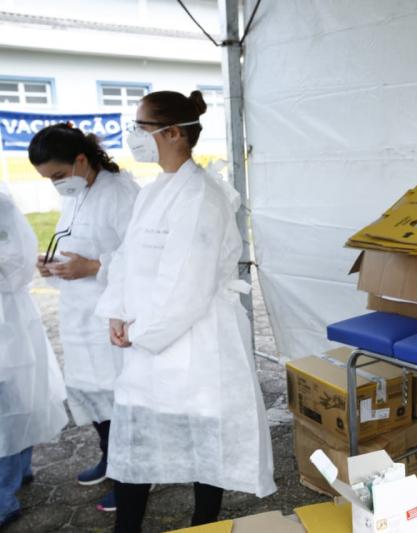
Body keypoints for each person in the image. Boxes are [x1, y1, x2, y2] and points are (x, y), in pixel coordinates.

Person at [95, 90, 276, 532]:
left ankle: (203, 524)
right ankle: (128, 525)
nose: (133, 136)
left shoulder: (201, 196)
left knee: (201, 440)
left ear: (172, 133)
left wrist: (141, 332)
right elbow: (126, 257)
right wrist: (117, 312)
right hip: (146, 337)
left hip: (193, 340)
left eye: (141, 127)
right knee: (136, 439)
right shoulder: (155, 189)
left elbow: (186, 286)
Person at [28, 124, 140, 512]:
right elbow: (74, 242)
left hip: (113, 312)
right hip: (79, 313)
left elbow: (142, 255)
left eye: (57, 176)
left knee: (120, 397)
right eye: (48, 180)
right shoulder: (75, 192)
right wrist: (53, 266)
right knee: (93, 393)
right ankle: (110, 457)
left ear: (81, 159)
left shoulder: (121, 192)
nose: (55, 185)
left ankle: (134, 477)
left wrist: (93, 266)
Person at [0, 188, 69, 528]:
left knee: (11, 404)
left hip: (7, 321)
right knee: (11, 405)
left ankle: (4, 496)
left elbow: (18, 261)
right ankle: (16, 472)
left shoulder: (2, 205)